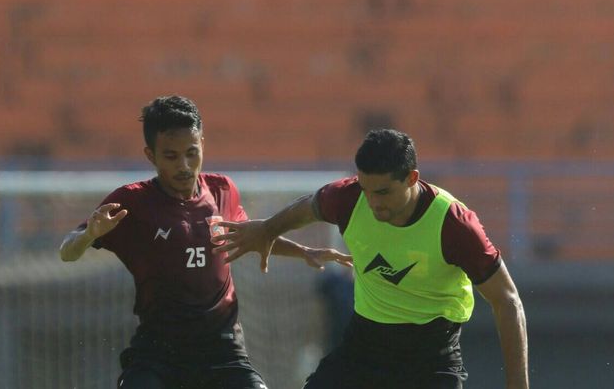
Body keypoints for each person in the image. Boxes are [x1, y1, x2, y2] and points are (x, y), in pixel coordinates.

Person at [58, 95, 351, 389]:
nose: (184, 165)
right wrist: (89, 234)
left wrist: (303, 252)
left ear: (202, 145)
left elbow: (251, 235)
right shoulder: (131, 202)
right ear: (151, 155)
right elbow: (67, 252)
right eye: (171, 156)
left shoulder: (223, 190)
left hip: (222, 350)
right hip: (158, 352)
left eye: (192, 152)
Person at [213, 129, 529, 389]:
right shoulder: (349, 198)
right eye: (367, 189)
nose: (373, 202)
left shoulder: (455, 225)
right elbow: (309, 207)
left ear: (411, 178)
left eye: (383, 192)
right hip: (365, 346)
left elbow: (507, 299)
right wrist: (268, 229)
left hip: (431, 356)